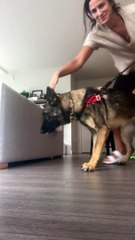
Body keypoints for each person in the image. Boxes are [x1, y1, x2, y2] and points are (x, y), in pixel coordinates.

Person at [49, 0, 135, 163]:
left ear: (110, 3)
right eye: (93, 11)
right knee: (113, 109)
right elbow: (78, 61)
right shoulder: (96, 34)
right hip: (126, 72)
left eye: (101, 5)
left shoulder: (132, 10)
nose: (99, 12)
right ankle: (120, 152)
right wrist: (58, 72)